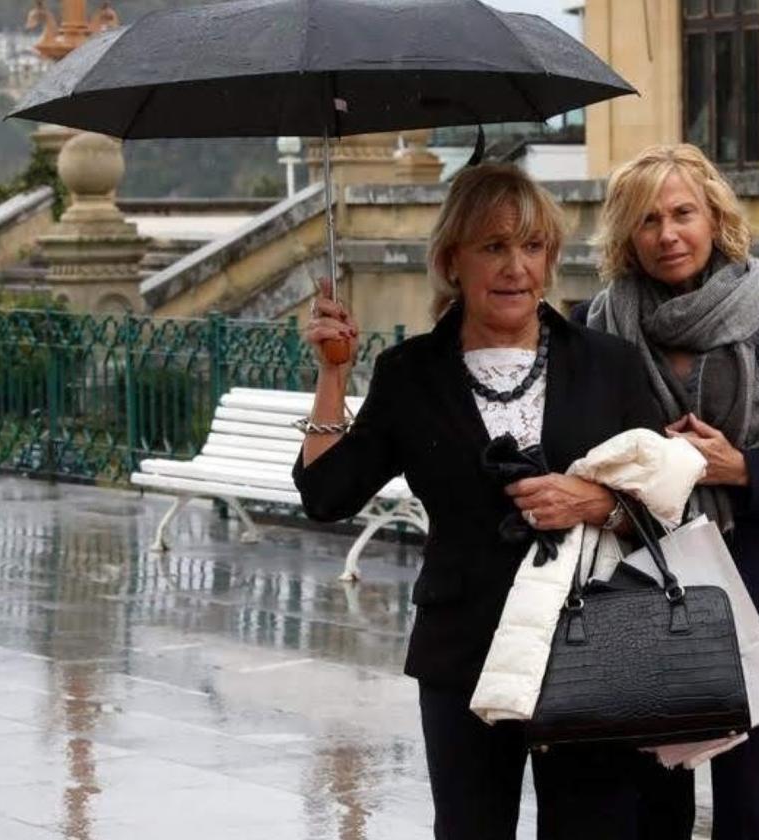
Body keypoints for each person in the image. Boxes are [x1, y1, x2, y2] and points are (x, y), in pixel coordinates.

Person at [292, 163, 684, 840]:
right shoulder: (411, 373)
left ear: (551, 259)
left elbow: (668, 501)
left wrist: (597, 503)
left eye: (531, 247)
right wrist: (333, 374)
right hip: (463, 648)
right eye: (493, 246)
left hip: (590, 642)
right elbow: (327, 494)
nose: (515, 268)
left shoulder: (607, 363)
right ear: (452, 260)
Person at [582, 144, 759, 840]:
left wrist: (738, 469)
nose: (667, 234)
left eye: (682, 213)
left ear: (713, 220)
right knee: (649, 802)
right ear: (625, 235)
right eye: (647, 220)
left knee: (753, 806)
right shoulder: (599, 325)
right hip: (641, 588)